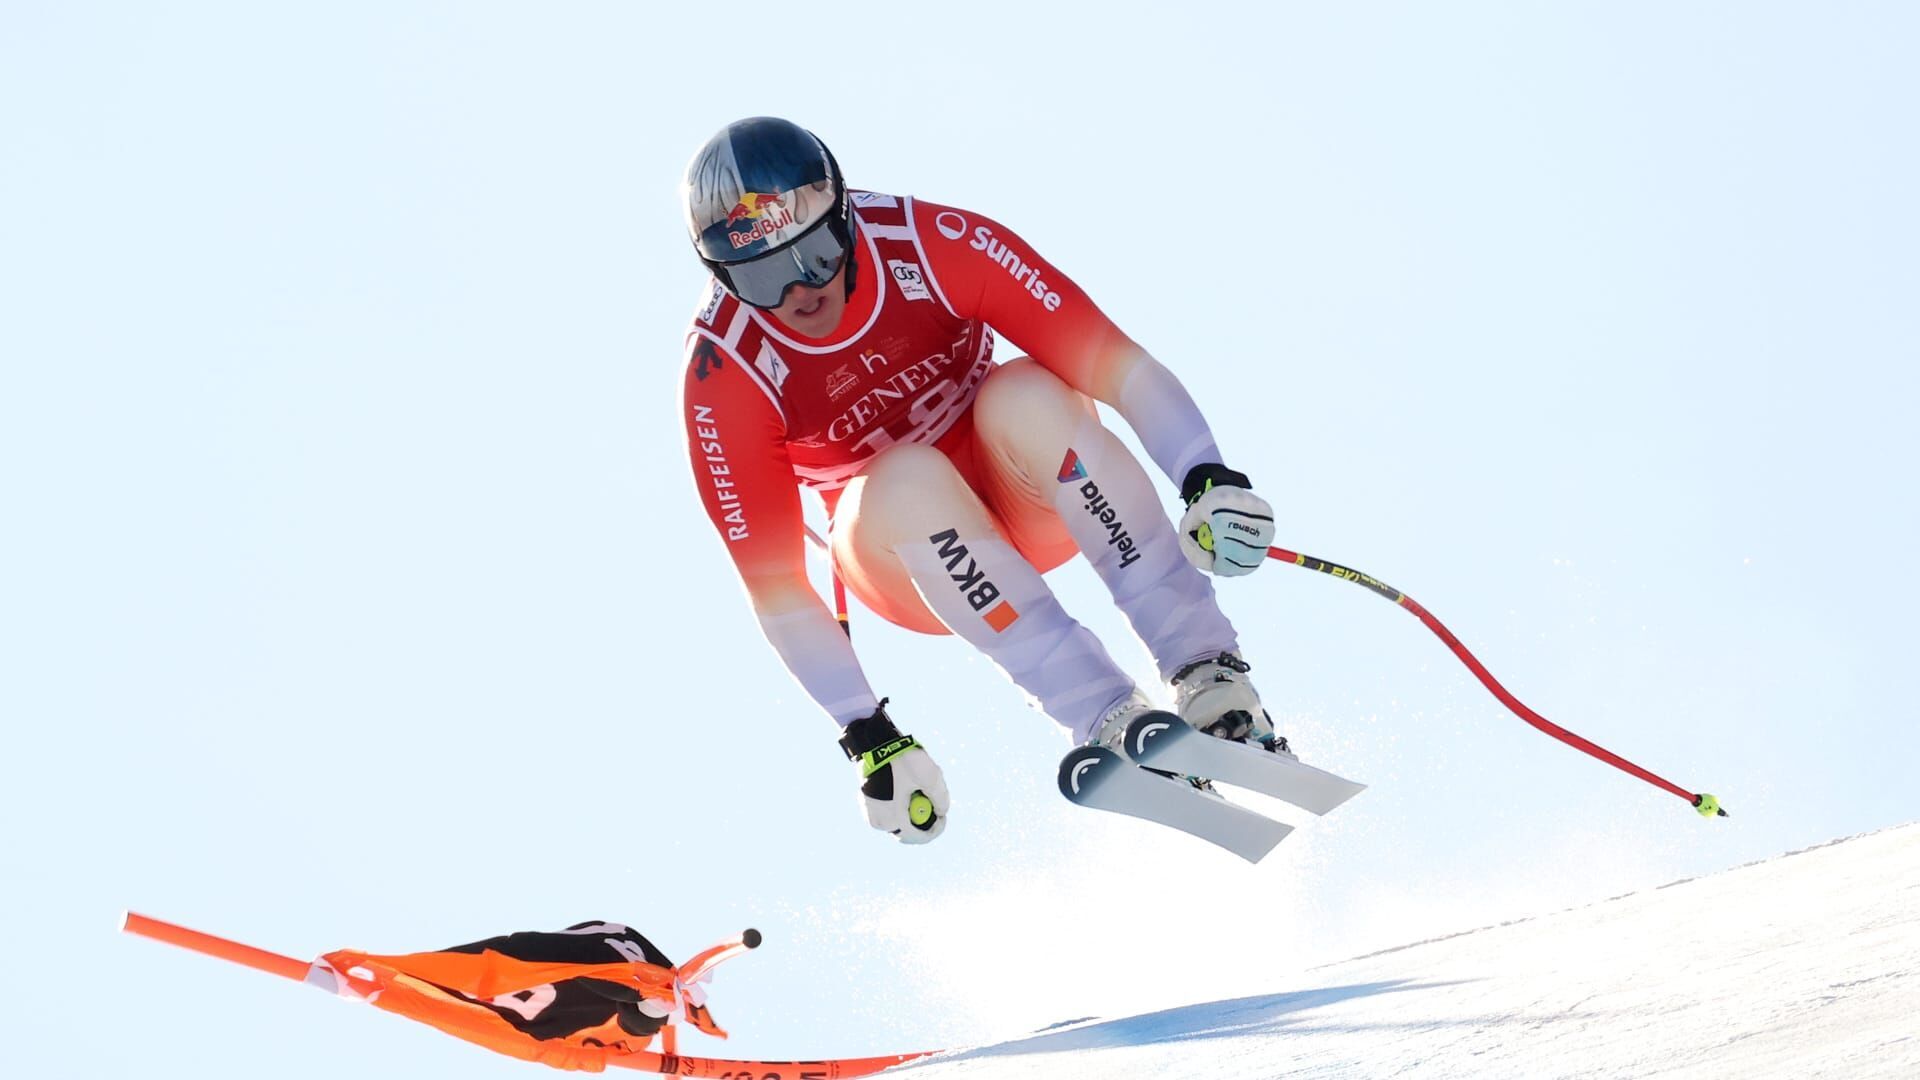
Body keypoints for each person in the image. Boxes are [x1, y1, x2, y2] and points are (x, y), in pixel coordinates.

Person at [680, 117, 1281, 845]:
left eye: (811, 255)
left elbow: (1113, 364)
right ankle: (1107, 720)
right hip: (911, 554)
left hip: (1032, 489)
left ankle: (1208, 671)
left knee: (1028, 393)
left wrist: (1205, 475)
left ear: (842, 213)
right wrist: (867, 734)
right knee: (903, 477)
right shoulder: (726, 373)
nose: (796, 294)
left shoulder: (928, 244)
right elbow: (775, 588)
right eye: (760, 277)